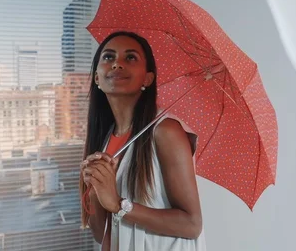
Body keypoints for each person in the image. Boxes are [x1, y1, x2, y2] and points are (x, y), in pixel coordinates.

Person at [79, 31, 207, 251]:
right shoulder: (104, 140)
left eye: (130, 58)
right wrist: (95, 192)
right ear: (97, 78)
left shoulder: (165, 131)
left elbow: (192, 225)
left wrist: (119, 204)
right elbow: (103, 235)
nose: (117, 64)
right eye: (108, 57)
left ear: (148, 78)